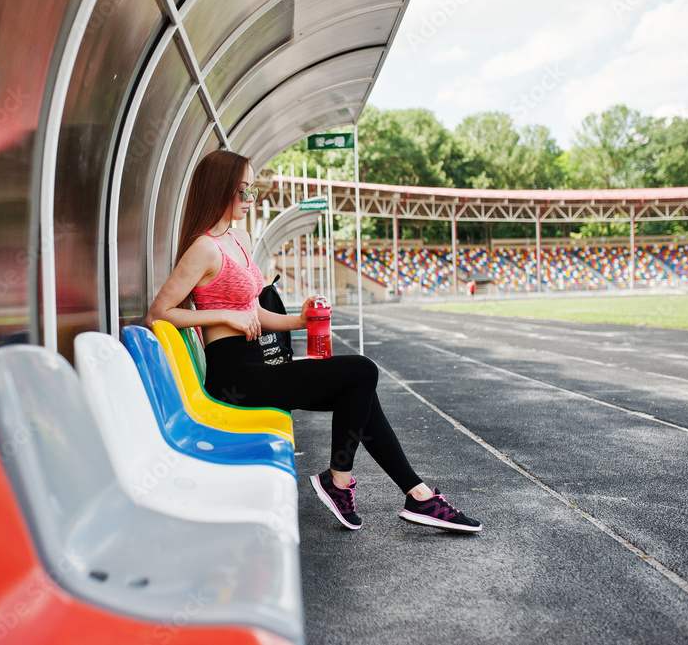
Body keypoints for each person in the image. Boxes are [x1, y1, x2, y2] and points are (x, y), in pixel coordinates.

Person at [146, 150, 481, 533]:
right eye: (243, 191)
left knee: (360, 391)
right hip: (234, 377)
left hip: (260, 368)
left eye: (252, 190)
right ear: (220, 189)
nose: (250, 199)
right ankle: (345, 482)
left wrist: (300, 321)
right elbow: (159, 312)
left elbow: (255, 311)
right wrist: (223, 316)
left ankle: (417, 495)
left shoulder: (238, 238)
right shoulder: (204, 247)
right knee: (362, 371)